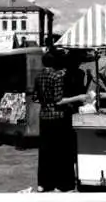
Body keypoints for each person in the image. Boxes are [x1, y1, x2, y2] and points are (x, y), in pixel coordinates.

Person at [33, 51, 82, 193]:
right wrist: (78, 97)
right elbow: (59, 100)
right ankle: (61, 185)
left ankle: (43, 184)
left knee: (45, 152)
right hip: (58, 117)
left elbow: (36, 98)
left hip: (44, 116)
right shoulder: (57, 77)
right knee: (61, 152)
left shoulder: (39, 76)